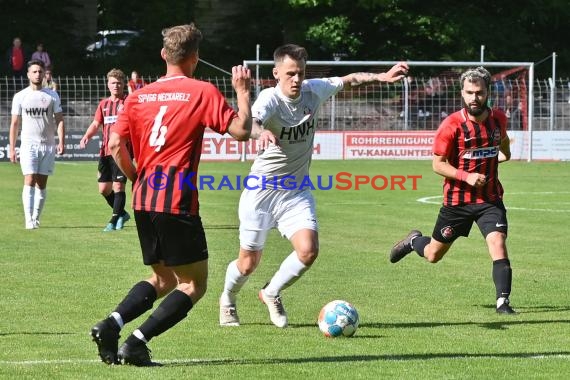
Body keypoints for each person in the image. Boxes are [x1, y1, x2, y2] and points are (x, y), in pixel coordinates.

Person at [90, 23, 252, 366]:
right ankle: (136, 341)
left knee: (163, 278)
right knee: (194, 285)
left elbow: (116, 144)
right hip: (177, 199)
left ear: (164, 54)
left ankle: (111, 324)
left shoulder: (137, 96)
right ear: (195, 57)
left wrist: (136, 177)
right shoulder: (201, 91)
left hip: (144, 199)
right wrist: (242, 91)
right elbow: (242, 131)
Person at [218, 44, 409, 328]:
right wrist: (262, 132)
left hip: (296, 191)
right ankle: (228, 299)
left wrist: (381, 77)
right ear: (276, 73)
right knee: (248, 263)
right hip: (261, 191)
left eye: (300, 73)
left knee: (308, 250)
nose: (296, 79)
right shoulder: (269, 99)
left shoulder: (313, 90)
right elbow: (252, 123)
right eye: (290, 73)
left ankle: (271, 292)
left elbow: (350, 79)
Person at [389, 66, 515, 315]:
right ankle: (414, 240)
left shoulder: (498, 118)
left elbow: (503, 141)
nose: (474, 98)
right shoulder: (451, 125)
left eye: (478, 92)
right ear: (462, 93)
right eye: (469, 93)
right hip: (457, 202)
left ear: (487, 92)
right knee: (433, 255)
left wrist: (503, 154)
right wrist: (466, 176)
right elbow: (437, 164)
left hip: (490, 199)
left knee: (497, 243)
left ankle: (503, 302)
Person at [9, 59, 65, 229]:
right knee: (30, 178)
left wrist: (61, 141)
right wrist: (12, 148)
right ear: (28, 74)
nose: (38, 74)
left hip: (47, 145)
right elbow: (15, 123)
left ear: (44, 74)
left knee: (42, 183)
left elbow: (60, 120)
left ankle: (36, 217)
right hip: (28, 145)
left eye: (40, 71)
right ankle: (28, 220)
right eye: (34, 72)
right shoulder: (20, 96)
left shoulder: (52, 95)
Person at [80, 68, 131, 231]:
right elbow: (96, 124)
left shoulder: (129, 103)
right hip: (105, 152)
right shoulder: (104, 104)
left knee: (118, 186)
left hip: (122, 151)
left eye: (119, 82)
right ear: (108, 85)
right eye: (113, 83)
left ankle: (113, 220)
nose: (116, 85)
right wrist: (86, 136)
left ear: (124, 84)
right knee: (103, 189)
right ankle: (122, 213)